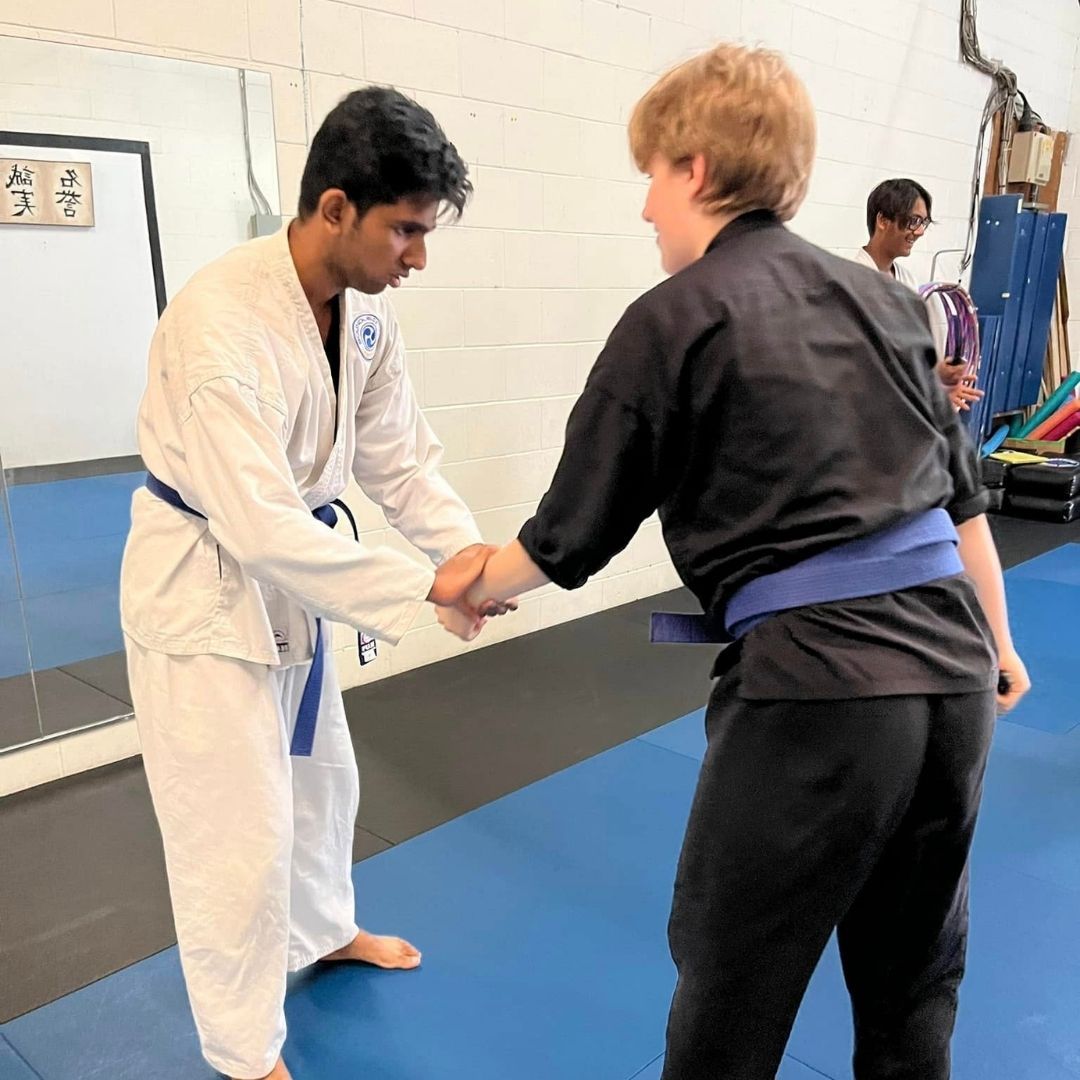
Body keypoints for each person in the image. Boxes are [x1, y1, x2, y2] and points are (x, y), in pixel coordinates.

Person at [444, 44, 1030, 1080]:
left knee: (731, 992)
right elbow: (960, 501)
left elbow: (569, 535)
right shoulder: (889, 304)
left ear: (699, 170)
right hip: (953, 682)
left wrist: (469, 587)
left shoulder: (673, 318)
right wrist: (999, 639)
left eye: (653, 179)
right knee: (912, 988)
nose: (646, 210)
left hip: (822, 697)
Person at [120, 87, 505, 1080]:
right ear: (336, 208)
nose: (418, 256)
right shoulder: (222, 326)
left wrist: (462, 555)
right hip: (204, 595)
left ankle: (325, 929)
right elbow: (259, 525)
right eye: (407, 230)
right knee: (233, 840)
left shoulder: (364, 318)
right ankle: (246, 1054)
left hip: (294, 587)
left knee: (323, 786)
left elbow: (401, 461)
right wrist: (422, 592)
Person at [856, 178, 983, 412]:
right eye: (913, 221)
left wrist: (936, 380)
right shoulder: (852, 278)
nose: (920, 232)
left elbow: (909, 355)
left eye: (923, 222)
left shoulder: (907, 280)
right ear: (883, 220)